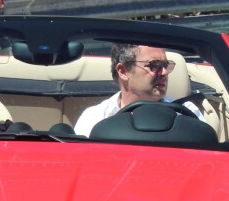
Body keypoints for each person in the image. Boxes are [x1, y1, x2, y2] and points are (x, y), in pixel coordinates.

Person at [74, 44, 202, 137]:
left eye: (165, 65)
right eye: (155, 65)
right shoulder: (95, 118)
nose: (164, 73)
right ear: (123, 71)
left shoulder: (187, 114)